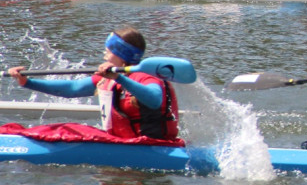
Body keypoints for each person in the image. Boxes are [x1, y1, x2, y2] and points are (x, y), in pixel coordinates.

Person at [6, 28, 179, 141]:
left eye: (109, 49)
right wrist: (28, 82)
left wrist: (119, 78)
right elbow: (73, 89)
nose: (105, 52)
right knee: (64, 130)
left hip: (151, 144)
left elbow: (155, 99)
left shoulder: (146, 76)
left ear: (120, 53)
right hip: (124, 142)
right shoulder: (108, 77)